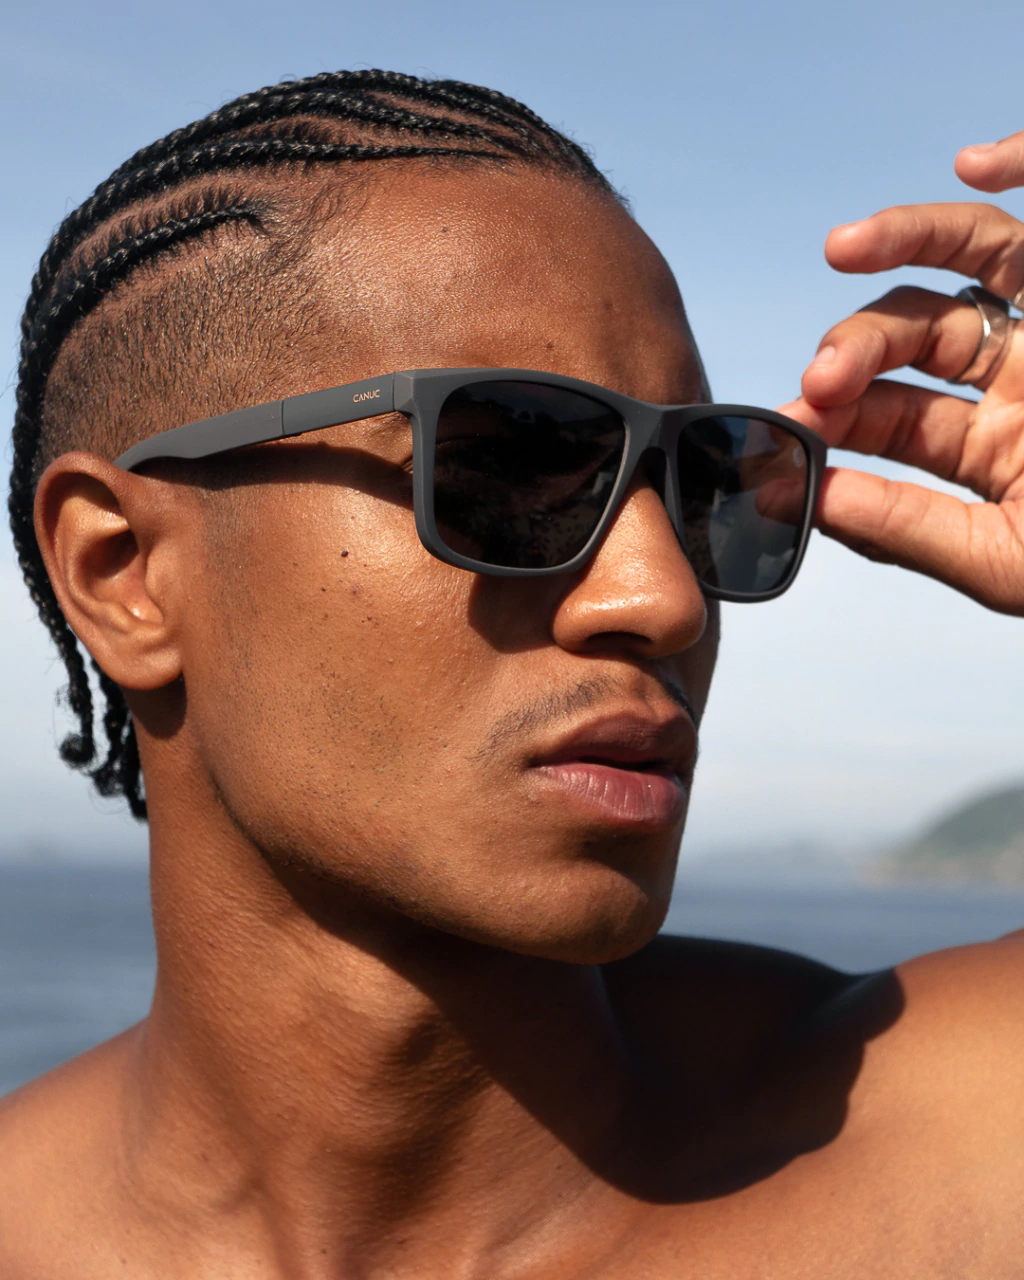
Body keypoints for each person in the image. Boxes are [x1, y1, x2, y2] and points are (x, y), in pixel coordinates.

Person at [1, 69, 1023, 1278]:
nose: (664, 597)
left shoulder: (965, 1146)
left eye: (705, 483)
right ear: (122, 571)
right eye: (507, 466)